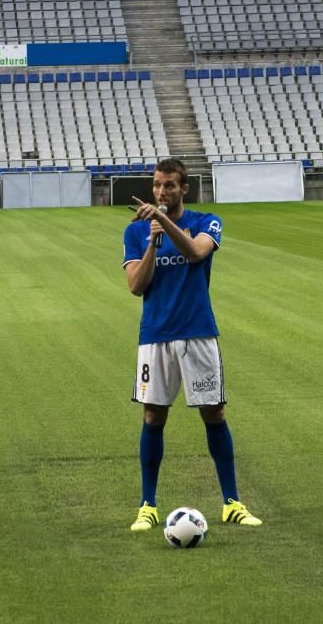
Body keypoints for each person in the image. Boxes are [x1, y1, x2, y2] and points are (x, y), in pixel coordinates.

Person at [122, 157, 262, 531]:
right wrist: (153, 240)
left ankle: (231, 502)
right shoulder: (136, 232)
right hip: (156, 335)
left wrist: (164, 223)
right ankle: (147, 505)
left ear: (184, 188)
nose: (161, 192)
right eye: (156, 185)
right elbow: (136, 286)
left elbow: (196, 252)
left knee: (213, 413)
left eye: (169, 185)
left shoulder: (206, 222)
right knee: (153, 416)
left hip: (198, 332)